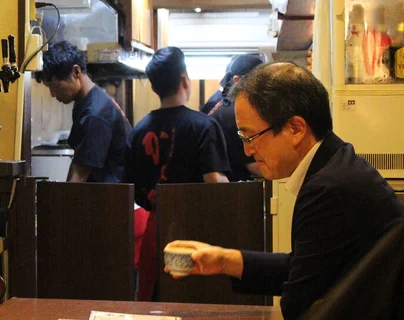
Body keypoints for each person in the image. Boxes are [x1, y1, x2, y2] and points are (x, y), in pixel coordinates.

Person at [165, 62, 404, 320]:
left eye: (250, 137)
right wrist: (223, 260)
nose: (247, 151)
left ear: (295, 129)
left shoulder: (327, 189)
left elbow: (297, 304)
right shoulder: (335, 164)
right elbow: (305, 267)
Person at [125, 46, 230, 301]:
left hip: (155, 229)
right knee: (192, 304)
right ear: (185, 80)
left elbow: (132, 188)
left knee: (155, 303)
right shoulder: (203, 125)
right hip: (196, 232)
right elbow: (215, 183)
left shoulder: (139, 130)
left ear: (154, 87)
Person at [39, 40, 131, 183]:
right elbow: (78, 161)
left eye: (55, 86)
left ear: (76, 72)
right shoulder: (85, 102)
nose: (52, 93)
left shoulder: (95, 113)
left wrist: (62, 203)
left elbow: (80, 172)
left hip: (113, 197)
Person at [209, 54, 264, 181]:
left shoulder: (219, 102)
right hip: (233, 187)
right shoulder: (236, 113)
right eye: (257, 82)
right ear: (237, 80)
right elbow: (252, 164)